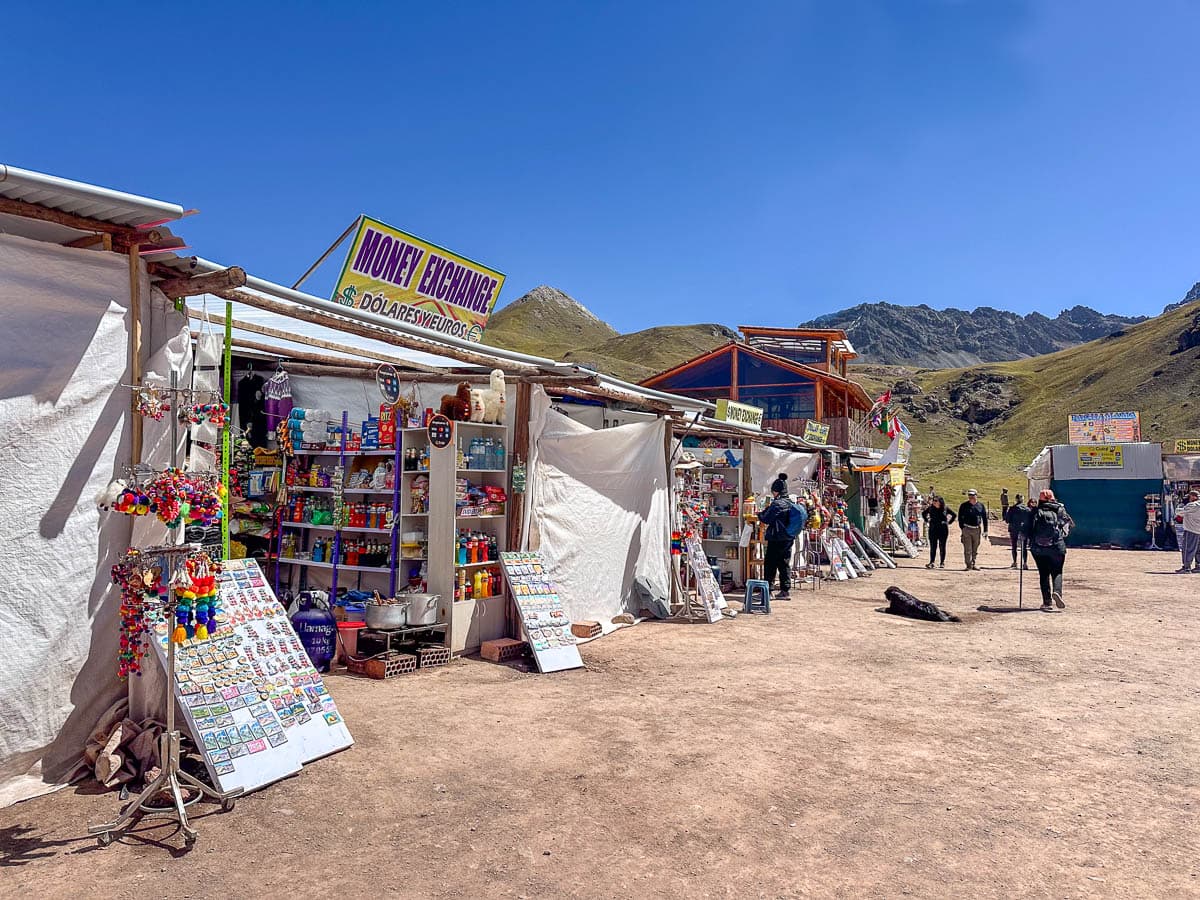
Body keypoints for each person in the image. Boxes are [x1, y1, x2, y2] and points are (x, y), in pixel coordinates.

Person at [758, 473, 808, 599]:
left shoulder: (777, 504)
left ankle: (767, 591)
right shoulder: (790, 503)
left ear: (776, 491)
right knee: (784, 563)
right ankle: (785, 591)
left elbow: (766, 518)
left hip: (776, 538)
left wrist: (760, 514)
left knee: (770, 563)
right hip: (788, 537)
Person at [1024, 489, 1074, 611]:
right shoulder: (1060, 510)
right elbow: (1069, 525)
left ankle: (1047, 603)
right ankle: (1057, 592)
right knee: (1057, 571)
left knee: (1043, 573)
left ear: (1040, 499)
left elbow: (1027, 530)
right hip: (1057, 547)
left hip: (1039, 548)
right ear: (1052, 498)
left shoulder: (1035, 511)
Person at [957, 489, 989, 570]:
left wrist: (985, 530)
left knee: (975, 548)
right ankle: (968, 565)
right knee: (968, 549)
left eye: (972, 495)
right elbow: (960, 517)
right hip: (967, 529)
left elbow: (984, 518)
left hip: (977, 529)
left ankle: (973, 563)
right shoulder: (964, 506)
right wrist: (962, 528)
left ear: (976, 495)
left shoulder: (980, 506)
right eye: (969, 495)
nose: (971, 497)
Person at [921, 496, 956, 569]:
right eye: (933, 500)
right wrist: (927, 520)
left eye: (936, 501)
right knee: (933, 546)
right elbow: (924, 513)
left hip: (943, 529)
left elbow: (954, 515)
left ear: (940, 502)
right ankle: (932, 562)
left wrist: (949, 522)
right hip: (933, 528)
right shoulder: (931, 508)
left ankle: (942, 562)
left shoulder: (945, 508)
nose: (934, 502)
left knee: (942, 546)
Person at [1004, 493, 1032, 569]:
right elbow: (1030, 520)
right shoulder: (1027, 509)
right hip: (1024, 529)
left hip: (1013, 529)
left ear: (1016, 499)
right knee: (1024, 547)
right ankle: (1025, 563)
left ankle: (1015, 562)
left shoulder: (1012, 509)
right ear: (1023, 499)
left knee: (1014, 546)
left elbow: (1007, 520)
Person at [1174, 489, 1200, 573]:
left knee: (1188, 549)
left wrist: (1181, 505)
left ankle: (1186, 568)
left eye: (1190, 496)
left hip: (1191, 529)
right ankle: (1198, 566)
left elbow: (1179, 512)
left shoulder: (1192, 505)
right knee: (1198, 549)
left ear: (1193, 497)